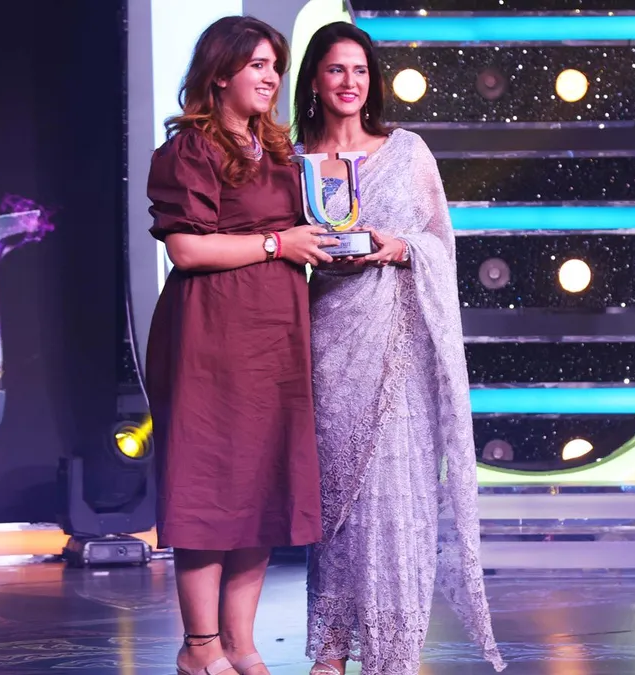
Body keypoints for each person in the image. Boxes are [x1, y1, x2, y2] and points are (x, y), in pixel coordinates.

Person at [292, 22, 506, 675]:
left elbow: (441, 243)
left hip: (399, 350)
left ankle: (394, 655)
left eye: (360, 70)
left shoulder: (407, 151)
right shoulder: (294, 159)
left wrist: (402, 247)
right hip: (330, 340)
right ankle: (332, 652)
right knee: (340, 502)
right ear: (314, 80)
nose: (349, 82)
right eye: (336, 69)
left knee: (396, 496)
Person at [144, 16, 337, 675]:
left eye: (275, 66)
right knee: (209, 487)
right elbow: (186, 249)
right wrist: (278, 243)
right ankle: (199, 647)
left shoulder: (278, 151)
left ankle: (240, 643)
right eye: (257, 64)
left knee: (263, 486)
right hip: (210, 337)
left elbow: (315, 225)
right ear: (220, 73)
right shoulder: (190, 150)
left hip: (275, 336)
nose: (271, 77)